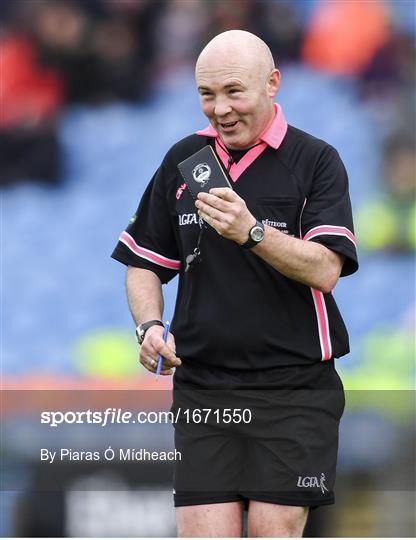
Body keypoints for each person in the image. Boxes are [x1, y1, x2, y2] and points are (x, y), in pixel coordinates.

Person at [112, 30, 358, 538]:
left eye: (233, 91)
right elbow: (144, 263)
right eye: (207, 94)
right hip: (203, 387)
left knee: (274, 530)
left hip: (294, 387)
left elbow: (326, 268)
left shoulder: (316, 160)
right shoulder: (185, 160)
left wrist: (252, 232)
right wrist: (149, 327)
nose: (219, 109)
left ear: (272, 84)